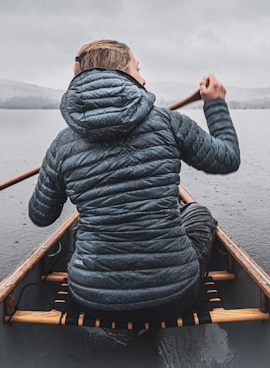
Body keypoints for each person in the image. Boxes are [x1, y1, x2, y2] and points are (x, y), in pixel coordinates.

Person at [28, 39, 240, 323]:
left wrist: (54, 167)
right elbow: (227, 158)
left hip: (91, 299)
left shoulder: (62, 144)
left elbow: (41, 216)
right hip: (174, 296)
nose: (143, 78)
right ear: (123, 75)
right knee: (199, 213)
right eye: (137, 69)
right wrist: (215, 104)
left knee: (80, 225)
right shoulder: (167, 122)